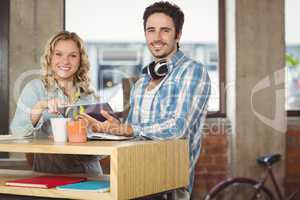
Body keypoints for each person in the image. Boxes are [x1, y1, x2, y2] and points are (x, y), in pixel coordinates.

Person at [81, 1, 211, 199]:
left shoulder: (193, 72)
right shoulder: (142, 81)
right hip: (136, 178)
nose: (156, 38)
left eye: (165, 30)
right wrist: (117, 127)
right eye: (151, 30)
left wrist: (129, 129)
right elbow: (135, 133)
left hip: (169, 185)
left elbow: (177, 128)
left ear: (178, 35)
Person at [10, 31, 102, 175]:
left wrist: (94, 132)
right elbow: (18, 133)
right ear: (50, 58)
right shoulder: (35, 89)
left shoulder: (89, 94)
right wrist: (39, 107)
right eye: (59, 54)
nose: (65, 61)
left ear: (80, 60)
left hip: (91, 175)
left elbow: (101, 150)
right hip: (50, 175)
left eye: (73, 55)